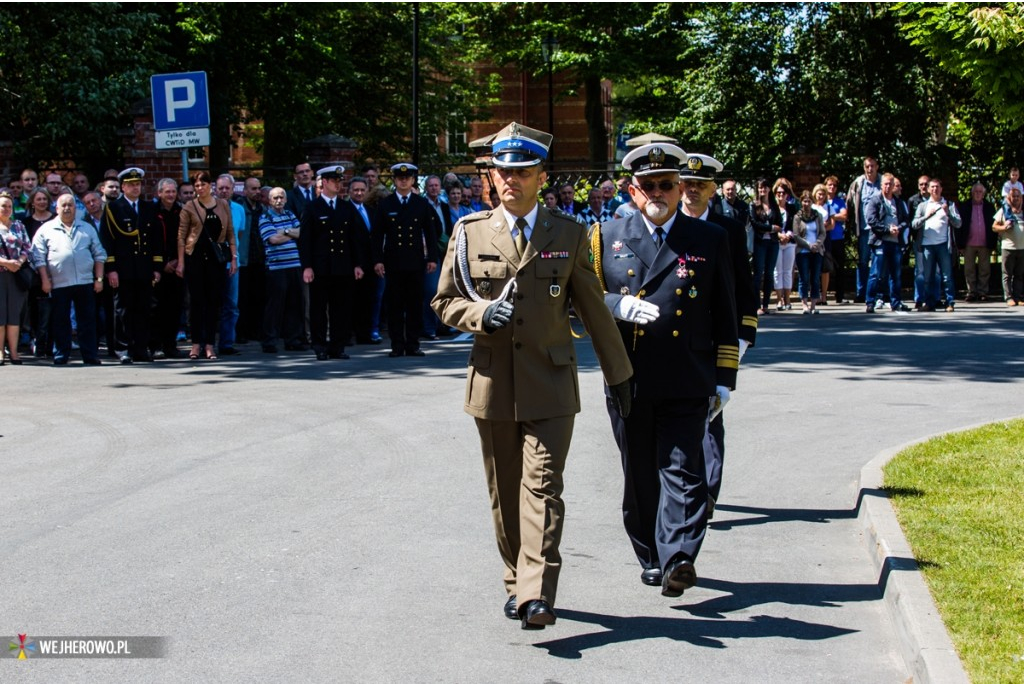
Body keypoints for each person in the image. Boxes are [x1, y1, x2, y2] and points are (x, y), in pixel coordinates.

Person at [432, 122, 632, 629]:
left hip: (550, 383)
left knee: (542, 487)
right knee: (506, 490)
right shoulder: (469, 232)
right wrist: (479, 317)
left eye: (521, 172)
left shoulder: (567, 234)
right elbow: (445, 300)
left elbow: (593, 311)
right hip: (493, 383)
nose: (510, 181)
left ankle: (537, 594)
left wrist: (620, 376)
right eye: (503, 171)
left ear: (541, 175)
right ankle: (514, 579)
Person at [591, 140, 737, 597]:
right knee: (639, 474)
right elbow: (584, 301)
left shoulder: (709, 238)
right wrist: (618, 305)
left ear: (681, 188)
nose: (659, 192)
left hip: (687, 373)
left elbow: (726, 312)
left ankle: (678, 556)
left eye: (667, 184)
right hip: (629, 375)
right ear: (633, 191)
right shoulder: (603, 237)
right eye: (649, 185)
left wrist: (724, 378)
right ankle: (652, 555)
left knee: (684, 469)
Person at [676, 153, 757, 516]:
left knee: (711, 415)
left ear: (713, 190)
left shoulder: (730, 230)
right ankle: (685, 489)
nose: (692, 191)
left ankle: (707, 492)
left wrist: (741, 338)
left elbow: (744, 286)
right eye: (687, 184)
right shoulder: (670, 225)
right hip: (677, 338)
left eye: (700, 185)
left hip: (716, 336)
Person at [298, 165, 366, 361]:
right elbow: (306, 240)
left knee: (341, 309)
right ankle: (319, 345)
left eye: (340, 181)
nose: (338, 184)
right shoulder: (312, 207)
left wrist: (358, 264)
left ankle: (338, 345)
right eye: (334, 181)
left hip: (343, 266)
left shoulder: (346, 208)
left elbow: (355, 239)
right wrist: (307, 266)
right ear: (325, 182)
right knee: (319, 308)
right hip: (321, 267)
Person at [372, 162, 439, 358]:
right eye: (400, 178)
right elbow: (377, 235)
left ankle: (413, 344)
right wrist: (377, 260)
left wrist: (432, 258)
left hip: (415, 261)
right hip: (393, 262)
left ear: (412, 180)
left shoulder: (421, 204)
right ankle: (396, 345)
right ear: (394, 180)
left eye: (407, 178)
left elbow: (431, 232)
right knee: (395, 305)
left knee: (414, 305)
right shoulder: (386, 204)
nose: (403, 181)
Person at [30, 192, 106, 365]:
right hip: (58, 283)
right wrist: (45, 280)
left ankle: (90, 354)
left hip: (85, 281)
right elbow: (38, 257)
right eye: (63, 205)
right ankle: (61, 353)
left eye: (70, 205)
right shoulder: (46, 229)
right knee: (60, 320)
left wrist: (99, 279)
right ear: (56, 208)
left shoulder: (86, 228)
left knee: (87, 320)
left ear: (75, 208)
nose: (66, 208)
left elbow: (99, 254)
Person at [99, 167, 163, 363]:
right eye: (132, 185)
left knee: (144, 308)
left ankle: (141, 347)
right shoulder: (113, 208)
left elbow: (156, 239)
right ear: (123, 187)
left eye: (138, 184)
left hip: (143, 267)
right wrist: (111, 269)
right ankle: (122, 348)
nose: (136, 188)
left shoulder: (149, 207)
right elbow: (107, 240)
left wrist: (156, 267)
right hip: (123, 268)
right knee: (123, 310)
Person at [176, 171, 237, 360]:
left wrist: (233, 257)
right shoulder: (189, 206)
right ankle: (195, 344)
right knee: (196, 303)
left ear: (210, 185)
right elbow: (182, 236)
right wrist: (181, 262)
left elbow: (230, 232)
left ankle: (210, 344)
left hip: (216, 259)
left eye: (203, 184)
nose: (200, 188)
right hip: (194, 258)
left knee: (213, 302)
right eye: (197, 185)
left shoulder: (223, 204)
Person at [259, 187, 306, 353]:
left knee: (295, 304)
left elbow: (302, 233)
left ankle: (293, 340)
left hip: (294, 265)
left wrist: (285, 231)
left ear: (286, 199)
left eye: (281, 197)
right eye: (275, 198)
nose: (278, 200)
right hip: (276, 267)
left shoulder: (290, 214)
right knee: (275, 306)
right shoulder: (265, 217)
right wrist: (291, 233)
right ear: (269, 200)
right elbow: (272, 239)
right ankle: (269, 341)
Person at [911, 178, 961, 312]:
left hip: (943, 245)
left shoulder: (949, 204)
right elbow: (914, 224)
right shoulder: (923, 206)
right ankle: (929, 303)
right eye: (932, 187)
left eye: (937, 187)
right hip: (927, 245)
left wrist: (948, 213)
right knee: (927, 277)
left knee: (947, 276)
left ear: (941, 189)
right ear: (928, 189)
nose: (935, 189)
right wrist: (926, 217)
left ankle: (949, 302)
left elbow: (958, 223)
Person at [866, 173, 911, 314]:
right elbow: (871, 220)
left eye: (890, 184)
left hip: (895, 242)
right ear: (881, 185)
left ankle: (895, 302)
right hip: (880, 242)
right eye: (885, 184)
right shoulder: (875, 200)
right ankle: (870, 302)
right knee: (876, 273)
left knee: (895, 275)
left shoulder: (897, 202)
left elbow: (906, 220)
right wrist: (887, 229)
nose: (888, 186)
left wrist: (899, 228)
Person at [151, 178, 185, 359]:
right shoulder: (152, 212)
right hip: (158, 268)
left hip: (178, 266)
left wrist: (178, 262)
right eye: (167, 192)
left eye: (173, 192)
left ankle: (170, 345)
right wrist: (162, 264)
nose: (171, 195)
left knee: (175, 307)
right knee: (157, 309)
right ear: (159, 193)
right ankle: (156, 345)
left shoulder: (182, 211)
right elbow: (150, 241)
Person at [347, 176, 382, 345]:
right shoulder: (345, 210)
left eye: (362, 190)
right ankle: (351, 334)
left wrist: (377, 261)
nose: (359, 193)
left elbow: (374, 238)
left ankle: (365, 334)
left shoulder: (370, 210)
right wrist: (356, 264)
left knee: (368, 300)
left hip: (371, 263)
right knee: (353, 300)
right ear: (349, 192)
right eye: (355, 190)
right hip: (354, 264)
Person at [0, 191, 32, 364]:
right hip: (1, 274)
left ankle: (14, 352)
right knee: (0, 316)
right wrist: (6, 263)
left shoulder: (18, 226)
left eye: (9, 206)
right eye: (3, 206)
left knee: (14, 315)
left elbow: (27, 247)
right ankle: (0, 353)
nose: (6, 209)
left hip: (16, 275)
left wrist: (19, 261)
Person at [847, 157, 882, 303]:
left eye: (872, 166)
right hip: (863, 229)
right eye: (867, 166)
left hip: (879, 230)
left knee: (878, 261)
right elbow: (849, 203)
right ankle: (861, 292)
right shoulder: (858, 183)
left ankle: (877, 293)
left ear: (877, 167)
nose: (870, 169)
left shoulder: (883, 182)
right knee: (862, 262)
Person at [955, 182, 997, 302]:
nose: (978, 194)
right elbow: (959, 226)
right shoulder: (965, 206)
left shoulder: (989, 207)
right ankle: (971, 292)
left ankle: (983, 292)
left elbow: (993, 226)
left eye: (980, 192)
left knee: (985, 269)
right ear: (972, 193)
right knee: (969, 269)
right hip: (969, 243)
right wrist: (960, 244)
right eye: (975, 192)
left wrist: (992, 243)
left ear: (983, 194)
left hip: (984, 243)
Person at [749, 178, 781, 314]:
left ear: (769, 189)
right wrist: (771, 228)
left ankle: (766, 304)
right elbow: (755, 224)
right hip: (760, 242)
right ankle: (756, 305)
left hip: (773, 243)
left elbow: (780, 223)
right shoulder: (753, 205)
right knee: (758, 274)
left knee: (769, 274)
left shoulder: (774, 205)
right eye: (760, 188)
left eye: (765, 187)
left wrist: (772, 229)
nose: (763, 190)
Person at [793, 190, 827, 314]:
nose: (806, 203)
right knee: (804, 278)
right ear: (801, 202)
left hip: (817, 251)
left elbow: (823, 232)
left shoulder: (817, 215)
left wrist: (816, 245)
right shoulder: (797, 217)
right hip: (803, 251)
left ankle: (813, 304)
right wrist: (808, 246)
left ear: (812, 202)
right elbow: (796, 235)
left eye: (809, 201)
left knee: (815, 278)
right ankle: (804, 304)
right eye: (804, 201)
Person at [993, 186, 1024, 305]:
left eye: (1018, 196)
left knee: (1019, 274)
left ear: (1021, 198)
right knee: (1007, 274)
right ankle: (1008, 297)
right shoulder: (1004, 211)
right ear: (1009, 198)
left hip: (1022, 248)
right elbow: (994, 227)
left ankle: (1018, 297)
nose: (1016, 198)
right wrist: (1004, 227)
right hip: (1008, 247)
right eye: (1013, 196)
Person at [822, 176, 848, 304]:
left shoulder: (839, 201)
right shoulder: (822, 201)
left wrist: (832, 216)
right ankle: (823, 295)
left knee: (839, 267)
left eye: (834, 186)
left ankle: (840, 295)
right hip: (825, 238)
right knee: (824, 268)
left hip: (837, 237)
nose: (832, 188)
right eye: (829, 185)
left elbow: (844, 215)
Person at [772, 178, 796, 311]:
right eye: (778, 193)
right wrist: (779, 235)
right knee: (777, 271)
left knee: (787, 271)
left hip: (789, 242)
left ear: (787, 195)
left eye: (783, 193)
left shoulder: (791, 208)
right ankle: (779, 299)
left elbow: (795, 225)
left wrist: (788, 235)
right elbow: (770, 224)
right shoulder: (772, 208)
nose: (781, 195)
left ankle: (787, 299)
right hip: (777, 241)